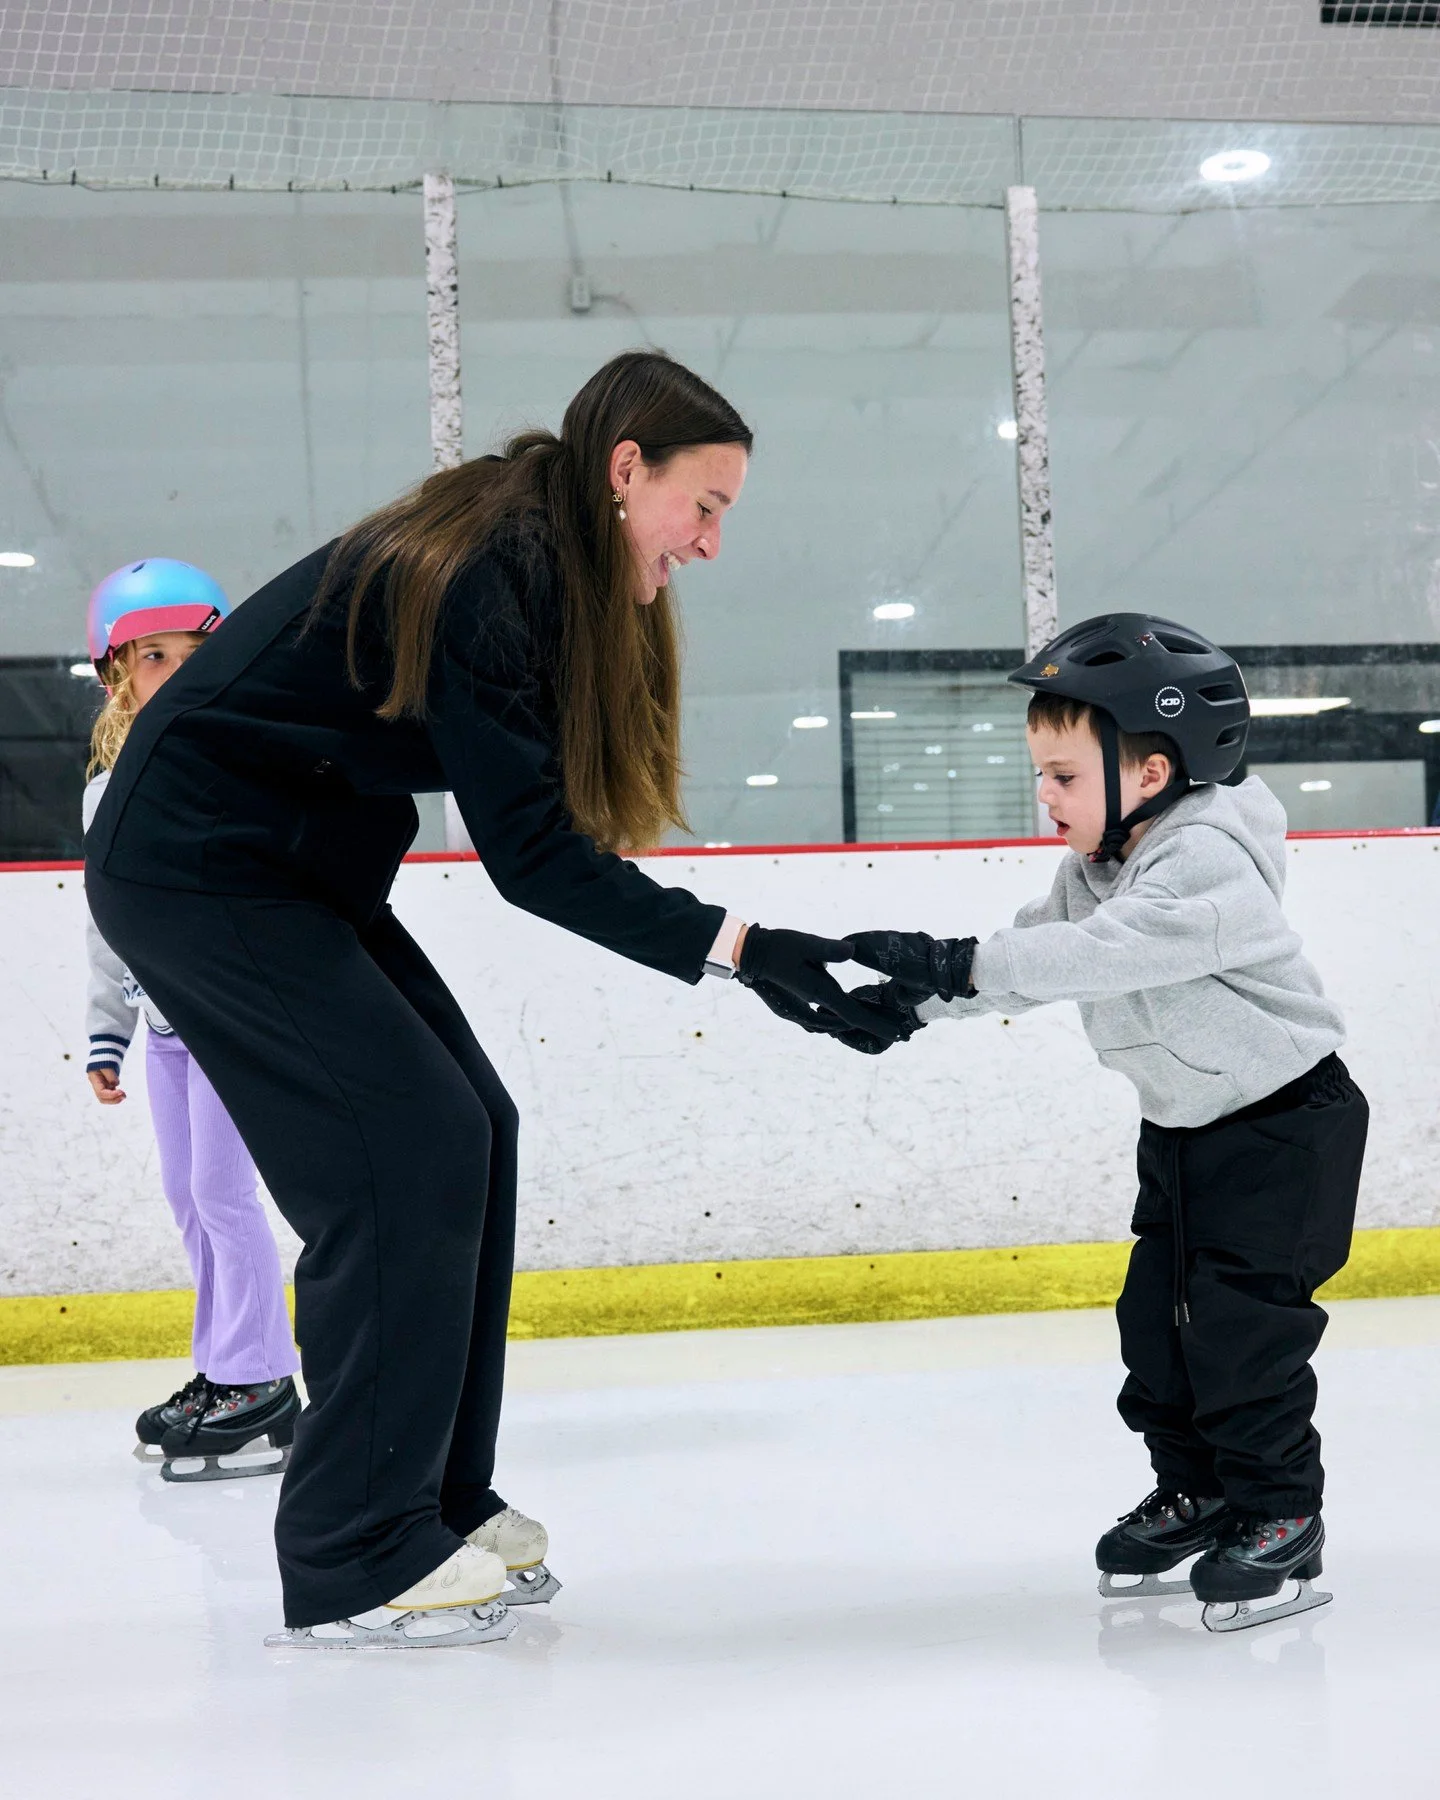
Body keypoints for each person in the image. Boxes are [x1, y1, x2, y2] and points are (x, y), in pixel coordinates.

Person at [85, 351, 900, 1651]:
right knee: (400, 1156)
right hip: (202, 873)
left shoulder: (540, 568)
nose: (713, 541)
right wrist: (755, 953)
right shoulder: (495, 571)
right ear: (626, 471)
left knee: (474, 1127)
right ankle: (355, 1547)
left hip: (293, 870)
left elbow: (549, 821)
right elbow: (534, 862)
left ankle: (434, 1502)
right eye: (705, 505)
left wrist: (757, 957)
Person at [847, 614, 1368, 1633]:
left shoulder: (1209, 862)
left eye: (1064, 775)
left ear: (1153, 768)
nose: (1044, 796)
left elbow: (1105, 954)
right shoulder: (1101, 861)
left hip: (1284, 1128)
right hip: (1185, 1125)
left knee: (1240, 1332)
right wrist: (915, 1002)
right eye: (1040, 773)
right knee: (1157, 1326)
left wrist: (948, 958)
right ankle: (1201, 1490)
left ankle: (1280, 1512)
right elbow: (1043, 950)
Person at [83, 560, 300, 1482]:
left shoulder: (236, 763)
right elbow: (108, 918)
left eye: (191, 655)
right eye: (153, 657)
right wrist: (107, 1030)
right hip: (166, 1027)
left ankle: (261, 1380)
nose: (172, 673)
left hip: (232, 1019)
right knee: (188, 1197)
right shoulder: (105, 791)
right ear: (117, 673)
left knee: (222, 1192)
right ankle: (223, 1370)